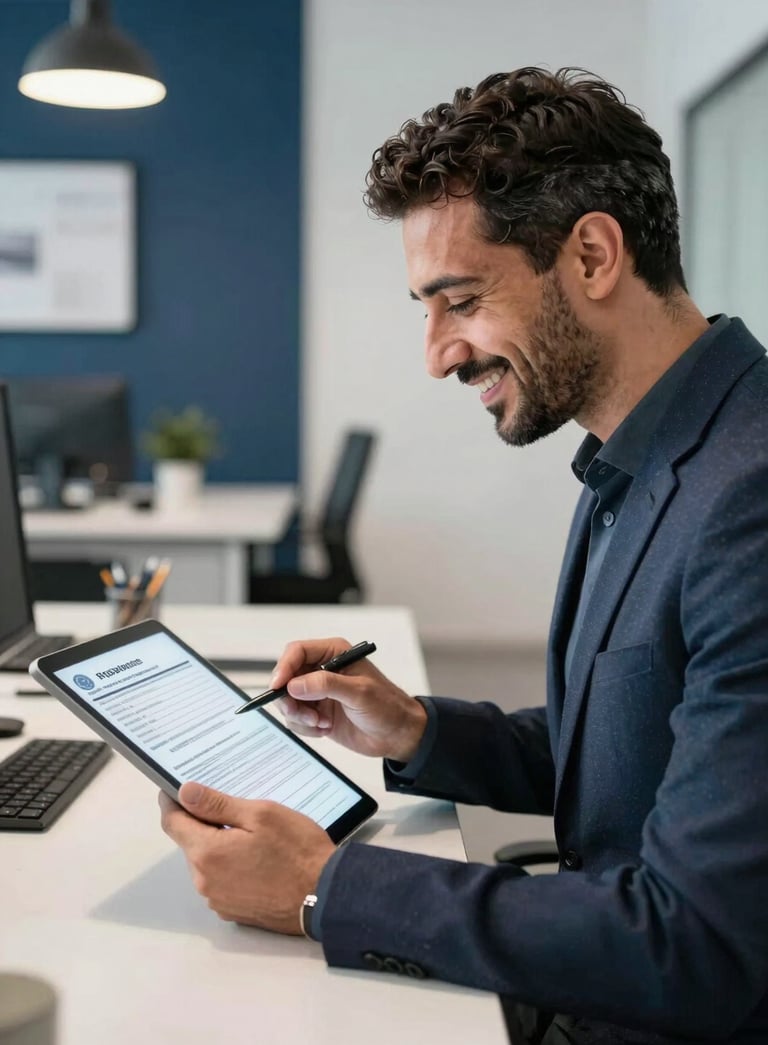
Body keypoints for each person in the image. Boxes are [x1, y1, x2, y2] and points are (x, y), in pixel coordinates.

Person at [160, 67, 768, 1044]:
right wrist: (409, 726)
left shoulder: (747, 499)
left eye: (462, 300)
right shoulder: (644, 457)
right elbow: (627, 754)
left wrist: (328, 887)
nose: (438, 352)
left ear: (594, 254)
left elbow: (698, 944)